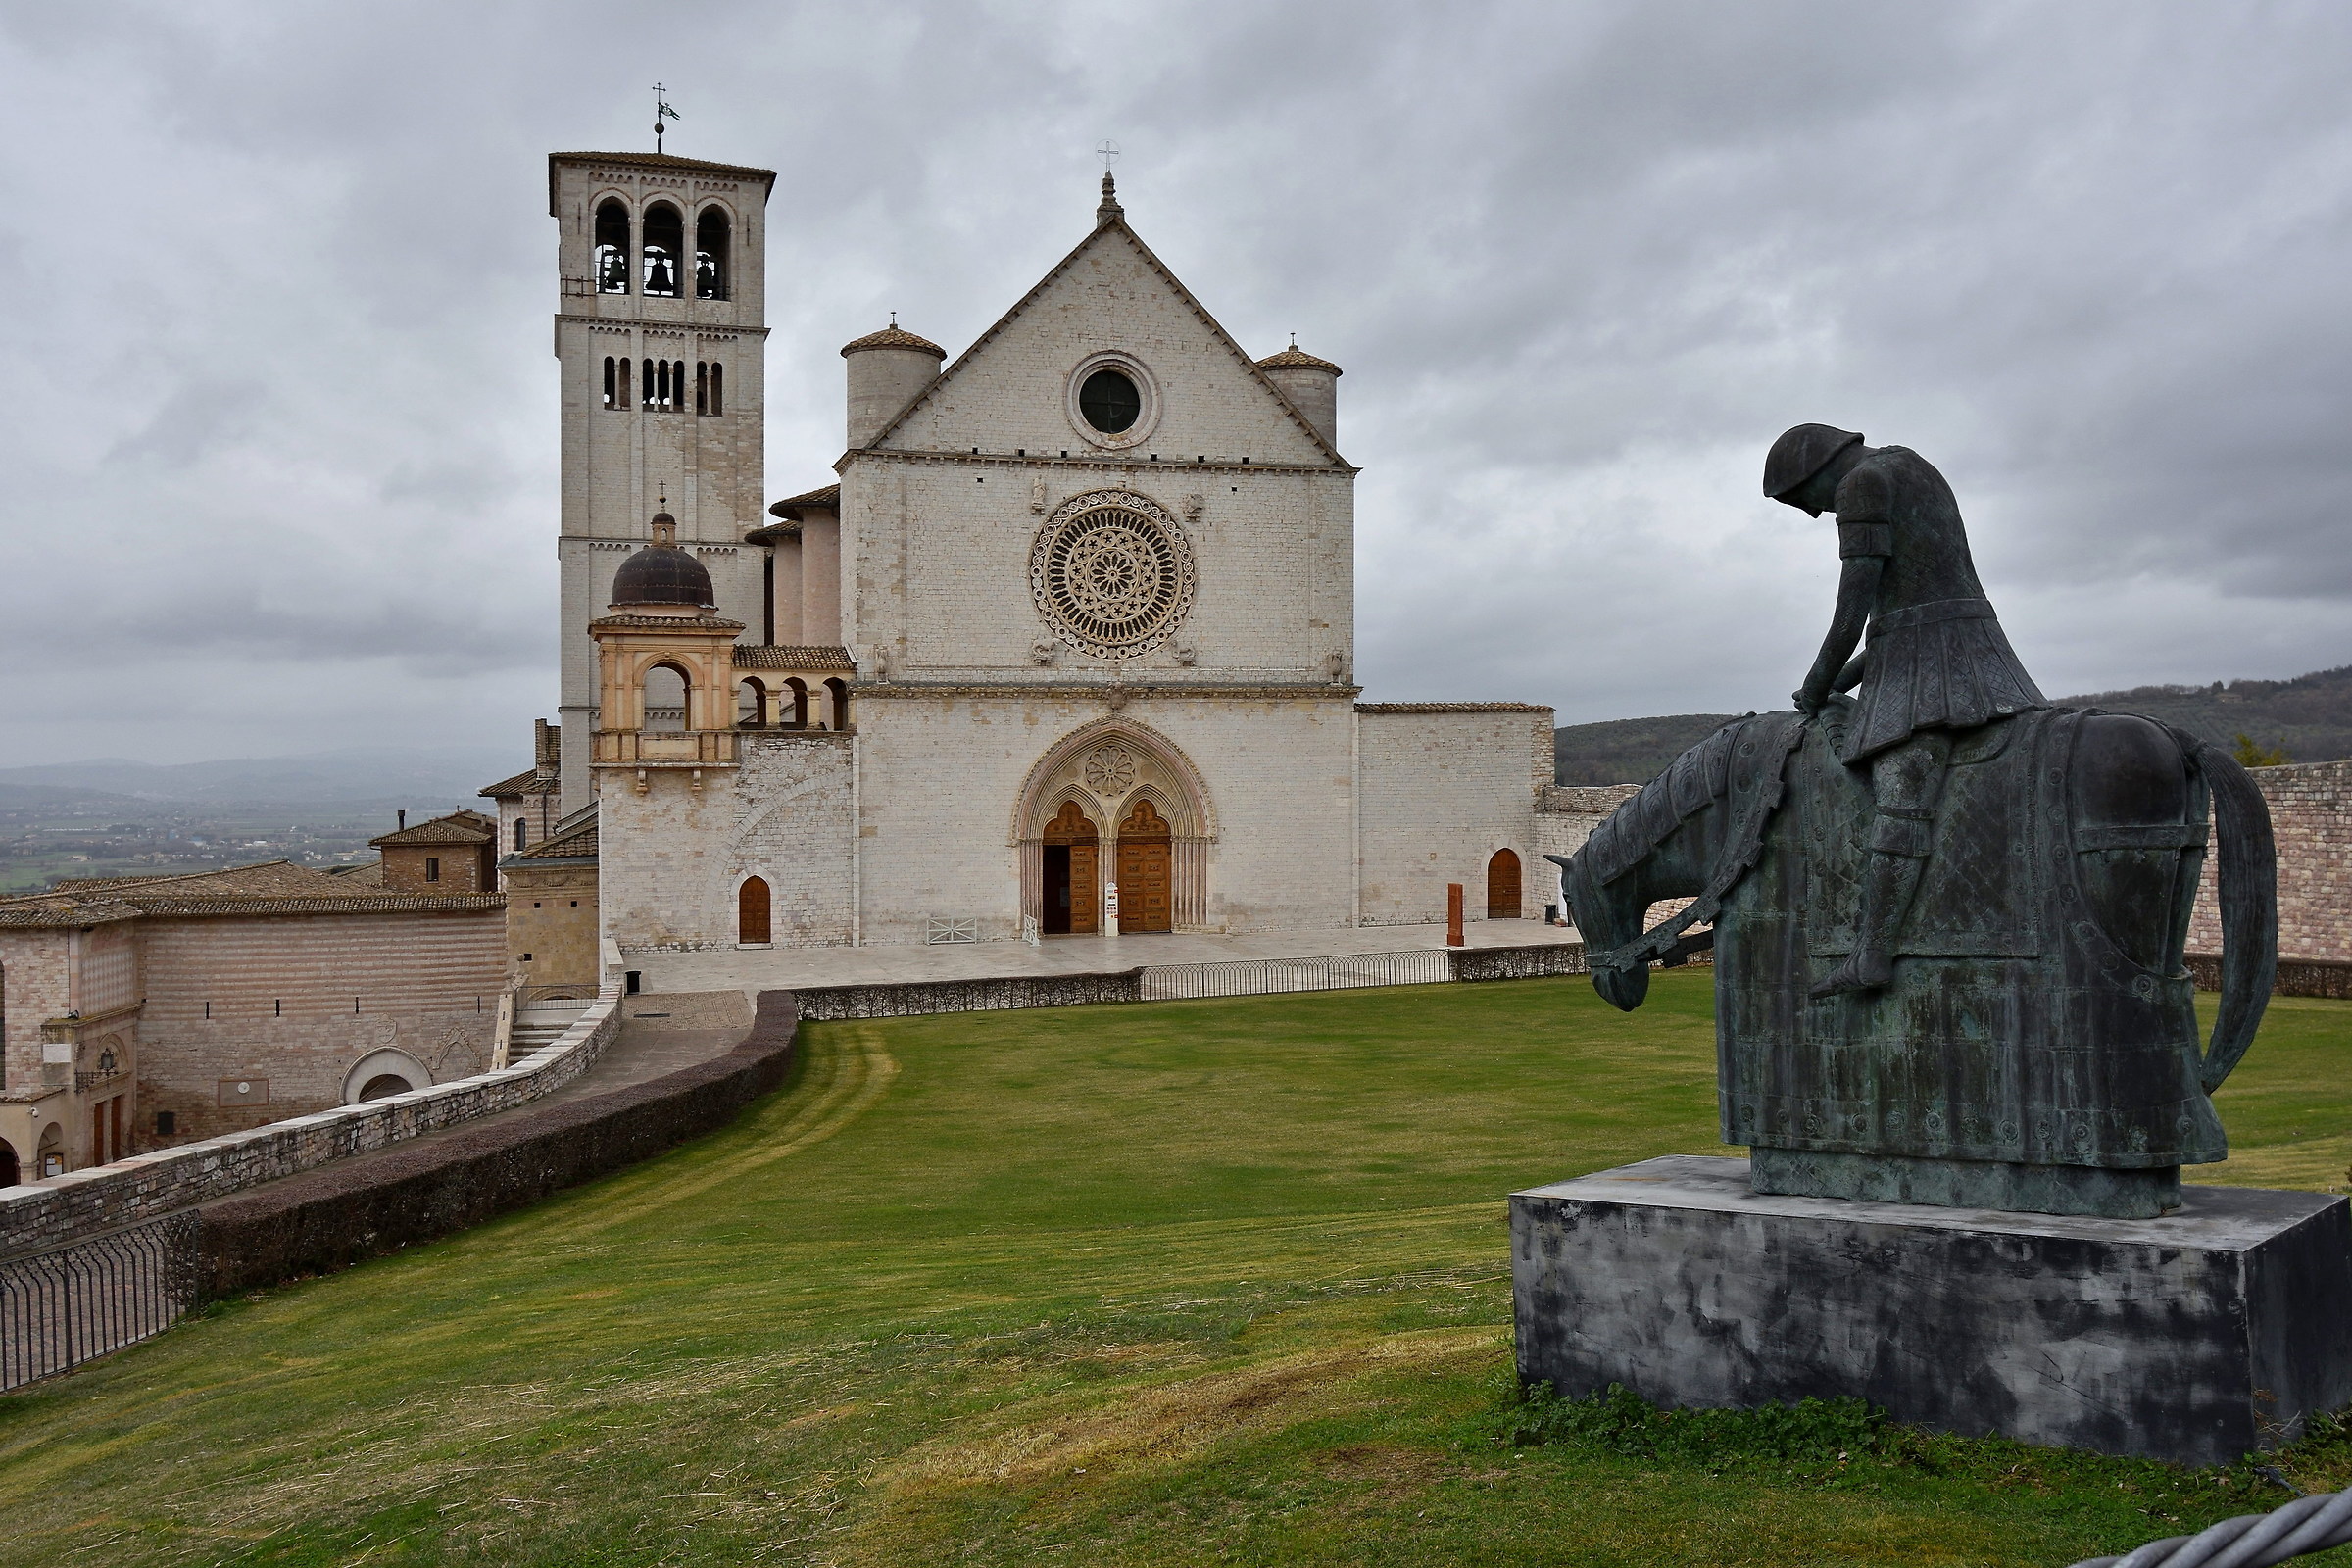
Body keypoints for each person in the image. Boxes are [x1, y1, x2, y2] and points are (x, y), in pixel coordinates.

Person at [1765, 423, 2047, 997]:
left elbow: (1855, 608)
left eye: (1801, 501)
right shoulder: (1909, 463)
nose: (1813, 515)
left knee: (1901, 796)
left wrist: (1818, 681)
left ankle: (1871, 953)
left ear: (1817, 471)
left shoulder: (1861, 485)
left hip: (1938, 667)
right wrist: (1838, 682)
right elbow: (1906, 617)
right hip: (1957, 648)